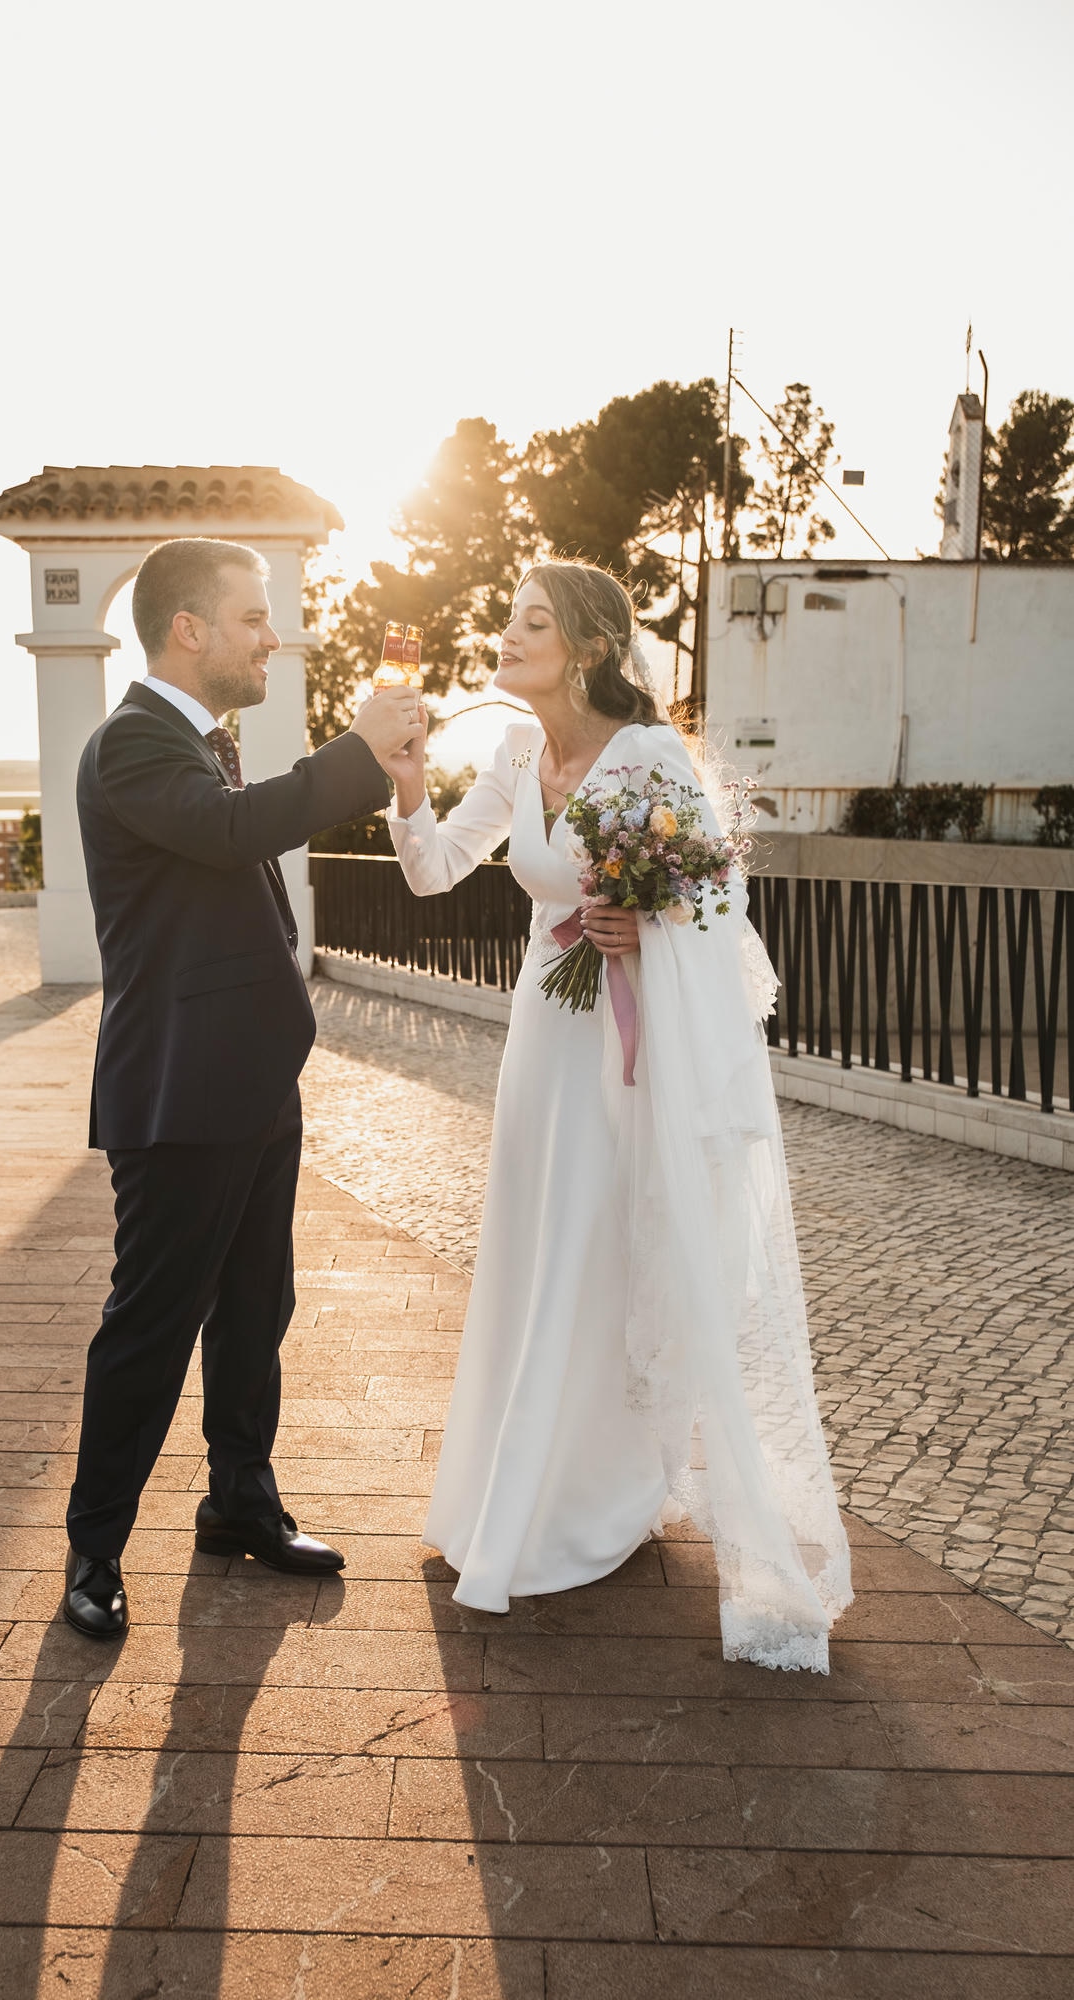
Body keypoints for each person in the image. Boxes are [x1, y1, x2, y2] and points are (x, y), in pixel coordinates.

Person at [382, 559, 851, 1673]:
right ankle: (524, 1485)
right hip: (543, 1035)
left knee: (594, 1249)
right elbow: (436, 870)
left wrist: (653, 929)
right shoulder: (511, 752)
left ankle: (593, 1496)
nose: (506, 635)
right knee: (532, 1246)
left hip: (622, 1050)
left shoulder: (645, 756)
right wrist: (406, 782)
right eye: (507, 617)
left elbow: (717, 902)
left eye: (529, 620)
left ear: (587, 646)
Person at [62, 536, 422, 1637]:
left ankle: (239, 1503)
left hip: (255, 1081)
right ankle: (94, 1550)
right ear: (189, 631)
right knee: (152, 1322)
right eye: (255, 617)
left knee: (257, 1309)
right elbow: (232, 831)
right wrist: (357, 748)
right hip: (178, 1093)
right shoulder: (131, 745)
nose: (274, 635)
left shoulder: (200, 744)